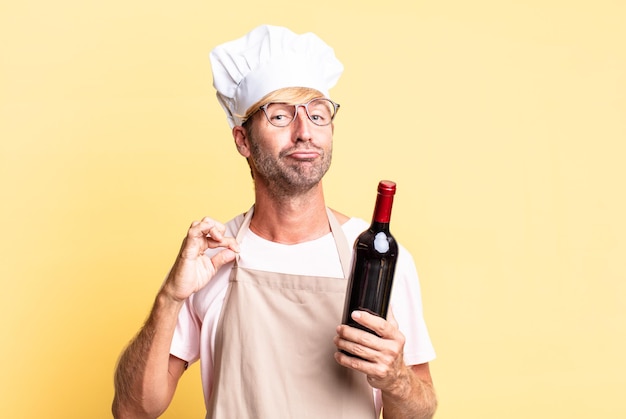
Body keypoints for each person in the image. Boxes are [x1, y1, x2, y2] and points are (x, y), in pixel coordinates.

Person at [112, 24, 437, 419]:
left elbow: (419, 410)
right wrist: (170, 298)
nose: (305, 133)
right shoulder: (211, 258)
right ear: (243, 141)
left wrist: (397, 378)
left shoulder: (376, 257)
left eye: (318, 115)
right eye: (280, 116)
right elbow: (132, 410)